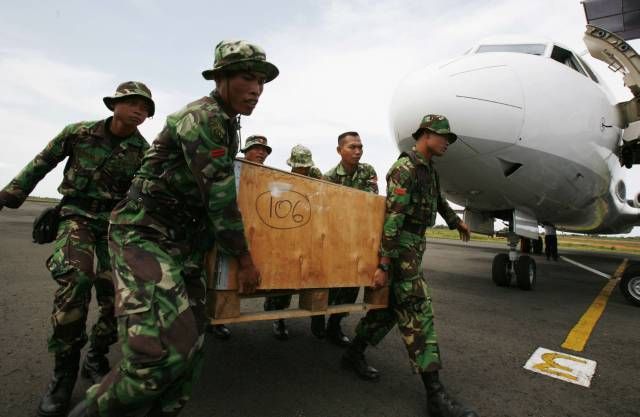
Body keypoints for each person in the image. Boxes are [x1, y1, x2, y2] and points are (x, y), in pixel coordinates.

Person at [67, 40, 276, 417]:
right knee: (155, 358)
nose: (257, 89)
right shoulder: (201, 118)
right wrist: (243, 259)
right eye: (248, 77)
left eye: (261, 81)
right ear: (221, 79)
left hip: (181, 244)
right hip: (144, 234)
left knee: (191, 348)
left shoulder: (228, 124)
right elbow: (219, 198)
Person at [0, 81, 154, 417]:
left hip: (115, 225)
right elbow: (42, 162)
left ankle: (97, 356)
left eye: (145, 107)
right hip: (77, 216)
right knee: (76, 281)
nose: (139, 110)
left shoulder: (144, 153)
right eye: (132, 103)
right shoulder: (79, 133)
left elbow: (144, 195)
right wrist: (9, 196)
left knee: (120, 296)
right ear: (115, 104)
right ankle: (63, 375)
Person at [341, 115, 478, 417]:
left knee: (390, 309)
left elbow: (438, 200)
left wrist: (456, 222)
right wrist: (384, 264)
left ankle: (353, 354)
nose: (446, 143)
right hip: (401, 246)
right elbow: (393, 218)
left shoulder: (429, 170)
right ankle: (435, 395)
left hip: (415, 244)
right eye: (443, 137)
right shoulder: (404, 169)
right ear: (426, 135)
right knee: (418, 310)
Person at [312, 131, 378, 346]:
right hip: (334, 239)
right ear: (340, 150)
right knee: (328, 284)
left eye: (360, 147)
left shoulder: (367, 170)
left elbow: (371, 201)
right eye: (352, 147)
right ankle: (318, 316)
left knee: (352, 287)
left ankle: (335, 325)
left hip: (359, 240)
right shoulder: (330, 177)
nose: (357, 151)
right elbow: (326, 210)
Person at [209, 134, 273, 340]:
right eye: (256, 149)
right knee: (217, 275)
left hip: (253, 234)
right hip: (225, 230)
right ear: (245, 151)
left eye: (264, 150)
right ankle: (213, 320)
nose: (261, 153)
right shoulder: (231, 169)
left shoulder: (268, 176)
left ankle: (219, 319)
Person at [263, 144, 322, 340]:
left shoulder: (316, 176)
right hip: (287, 237)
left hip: (309, 236)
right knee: (284, 279)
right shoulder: (284, 181)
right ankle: (278, 315)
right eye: (299, 167)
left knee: (307, 277)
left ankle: (314, 316)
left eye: (305, 166)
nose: (302, 170)